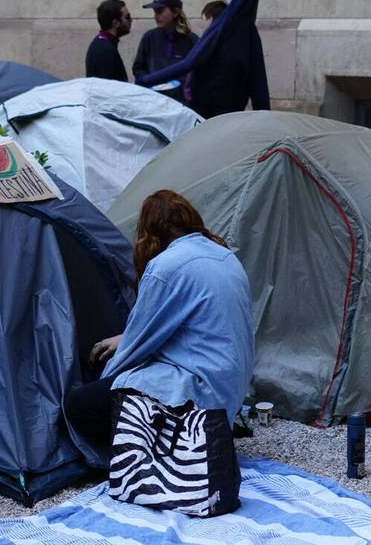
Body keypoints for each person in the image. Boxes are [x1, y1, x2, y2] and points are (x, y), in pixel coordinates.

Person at [64, 190, 254, 456]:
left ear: (149, 230)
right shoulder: (224, 255)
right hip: (230, 389)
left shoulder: (166, 266)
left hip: (201, 387)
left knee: (81, 405)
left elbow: (138, 343)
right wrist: (124, 338)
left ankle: (161, 453)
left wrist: (106, 378)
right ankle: (201, 432)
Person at [132, 0, 199, 103]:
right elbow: (138, 68)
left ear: (176, 12)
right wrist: (147, 82)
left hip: (181, 103)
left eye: (160, 11)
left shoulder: (191, 40)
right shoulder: (149, 37)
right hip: (154, 100)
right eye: (155, 12)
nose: (156, 16)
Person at [85, 0, 132, 82]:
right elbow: (111, 88)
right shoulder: (104, 49)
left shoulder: (103, 44)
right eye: (127, 17)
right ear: (115, 23)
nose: (131, 20)